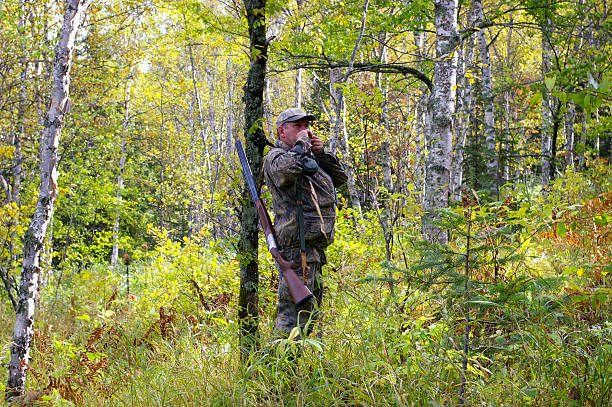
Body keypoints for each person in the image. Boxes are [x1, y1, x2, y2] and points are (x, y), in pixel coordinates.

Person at [263, 107, 347, 338]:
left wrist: (321, 154)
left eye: (306, 126)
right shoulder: (277, 158)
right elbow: (285, 172)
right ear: (282, 132)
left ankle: (289, 369)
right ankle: (275, 368)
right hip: (296, 250)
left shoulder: (307, 157)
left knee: (308, 316)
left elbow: (340, 179)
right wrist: (302, 147)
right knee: (291, 318)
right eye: (298, 126)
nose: (305, 131)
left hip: (314, 249)